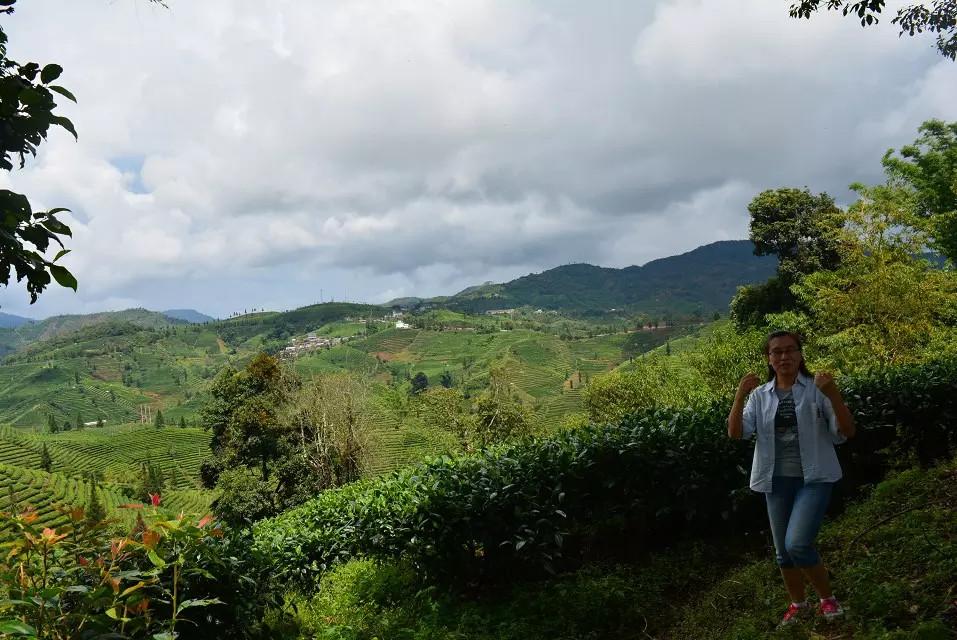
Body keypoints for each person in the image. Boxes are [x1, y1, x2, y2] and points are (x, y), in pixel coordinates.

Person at [727, 330, 856, 627]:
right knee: (783, 553)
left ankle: (827, 599)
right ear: (769, 359)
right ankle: (799, 604)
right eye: (776, 352)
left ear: (800, 354)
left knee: (797, 544)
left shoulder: (816, 389)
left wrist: (833, 394)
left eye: (790, 350)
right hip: (776, 481)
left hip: (815, 477)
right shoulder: (760, 396)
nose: (784, 357)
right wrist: (740, 394)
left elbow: (847, 431)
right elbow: (735, 433)